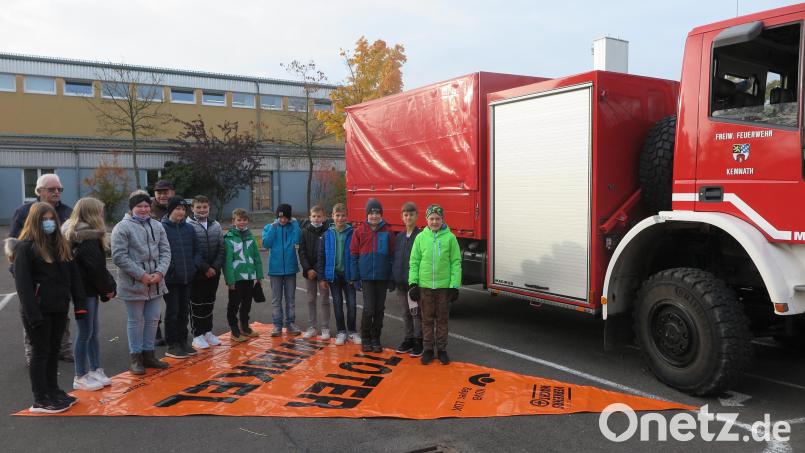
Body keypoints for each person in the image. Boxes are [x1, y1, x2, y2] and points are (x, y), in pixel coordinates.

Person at [5, 202, 86, 413]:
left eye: (51, 219)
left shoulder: (61, 245)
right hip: (38, 311)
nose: (49, 223)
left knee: (53, 351)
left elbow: (74, 277)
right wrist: (33, 315)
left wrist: (80, 305)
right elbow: (23, 286)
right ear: (35, 222)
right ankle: (40, 398)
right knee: (40, 353)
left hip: (59, 308)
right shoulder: (25, 248)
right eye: (44, 220)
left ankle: (53, 390)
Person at [9, 173, 74, 364]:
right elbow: (14, 243)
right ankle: (33, 352)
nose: (57, 192)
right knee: (32, 314)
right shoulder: (24, 212)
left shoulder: (67, 212)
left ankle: (63, 348)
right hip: (33, 275)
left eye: (59, 189)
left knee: (62, 314)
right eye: (51, 189)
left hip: (58, 275)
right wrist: (18, 272)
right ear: (39, 191)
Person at [111, 190, 171, 375]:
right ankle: (136, 357)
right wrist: (141, 275)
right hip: (134, 283)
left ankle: (149, 354)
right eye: (139, 206)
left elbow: (166, 251)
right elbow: (119, 256)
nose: (144, 209)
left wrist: (160, 272)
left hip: (156, 282)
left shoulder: (157, 225)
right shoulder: (122, 227)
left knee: (153, 319)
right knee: (136, 321)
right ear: (131, 208)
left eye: (146, 206)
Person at [62, 197, 117, 391]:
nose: (102, 214)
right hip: (84, 292)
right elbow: (96, 270)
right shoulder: (87, 238)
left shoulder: (79, 235)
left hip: (86, 291)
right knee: (86, 332)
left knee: (92, 331)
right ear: (92, 213)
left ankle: (95, 369)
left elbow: (96, 268)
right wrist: (108, 289)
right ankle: (80, 375)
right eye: (100, 211)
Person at [408, 204, 462, 365]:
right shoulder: (420, 238)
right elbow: (414, 261)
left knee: (442, 320)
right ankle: (428, 350)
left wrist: (454, 286)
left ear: (442, 219)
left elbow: (456, 262)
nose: (434, 222)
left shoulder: (450, 238)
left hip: (443, 288)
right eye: (431, 218)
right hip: (425, 287)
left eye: (438, 219)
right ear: (426, 219)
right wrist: (413, 283)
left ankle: (442, 350)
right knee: (427, 320)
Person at [350, 198, 395, 353]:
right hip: (367, 277)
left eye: (377, 213)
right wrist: (355, 277)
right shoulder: (359, 231)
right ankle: (366, 337)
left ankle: (376, 338)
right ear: (367, 214)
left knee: (379, 309)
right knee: (369, 309)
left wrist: (391, 277)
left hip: (382, 277)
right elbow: (354, 255)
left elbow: (392, 256)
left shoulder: (388, 232)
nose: (374, 216)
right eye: (371, 213)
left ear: (381, 214)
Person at [161, 197, 202, 359]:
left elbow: (197, 250)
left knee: (184, 311)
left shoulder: (189, 228)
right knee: (173, 311)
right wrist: (171, 269)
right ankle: (173, 344)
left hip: (187, 277)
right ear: (170, 210)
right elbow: (160, 252)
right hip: (171, 279)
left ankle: (183, 341)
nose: (181, 212)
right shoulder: (162, 228)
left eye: (183, 209)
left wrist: (193, 266)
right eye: (178, 208)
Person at [316, 203, 360, 346]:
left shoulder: (353, 233)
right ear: (332, 216)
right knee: (337, 303)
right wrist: (322, 277)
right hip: (334, 276)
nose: (340, 218)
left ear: (347, 216)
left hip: (349, 276)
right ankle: (341, 331)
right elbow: (321, 257)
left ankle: (352, 331)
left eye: (343, 215)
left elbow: (357, 255)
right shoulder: (327, 235)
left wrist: (355, 276)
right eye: (337, 215)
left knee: (352, 304)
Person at [187, 195, 225, 349]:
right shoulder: (188, 225)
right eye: (198, 207)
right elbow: (190, 251)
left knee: (209, 302)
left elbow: (222, 248)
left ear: (209, 208)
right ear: (192, 209)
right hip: (197, 273)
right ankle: (197, 335)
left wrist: (214, 268)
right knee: (197, 304)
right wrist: (205, 268)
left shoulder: (216, 225)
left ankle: (207, 331)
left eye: (205, 207)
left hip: (214, 273)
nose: (202, 210)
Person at [262, 203, 302, 337]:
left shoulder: (292, 227)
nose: (283, 220)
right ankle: (277, 325)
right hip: (275, 270)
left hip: (290, 269)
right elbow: (266, 243)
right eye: (280, 217)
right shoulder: (269, 227)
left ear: (289, 217)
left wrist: (295, 224)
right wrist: (273, 228)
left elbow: (297, 239)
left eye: (285, 217)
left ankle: (290, 324)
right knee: (276, 300)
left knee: (290, 300)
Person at [223, 208, 263, 342]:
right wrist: (230, 280)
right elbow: (227, 261)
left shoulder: (250, 237)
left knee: (247, 303)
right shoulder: (229, 238)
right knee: (234, 304)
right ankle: (234, 330)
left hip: (249, 277)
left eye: (244, 220)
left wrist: (259, 276)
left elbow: (256, 258)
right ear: (233, 221)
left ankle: (245, 327)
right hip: (236, 278)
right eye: (239, 220)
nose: (242, 222)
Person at [391, 202, 423, 357]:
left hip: (413, 284)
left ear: (416, 216)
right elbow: (395, 258)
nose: (408, 217)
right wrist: (394, 278)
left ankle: (418, 340)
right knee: (405, 313)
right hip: (401, 283)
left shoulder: (421, 236)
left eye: (411, 214)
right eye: (406, 215)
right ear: (402, 217)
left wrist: (416, 282)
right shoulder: (399, 237)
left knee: (415, 313)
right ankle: (408, 339)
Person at [299, 205, 331, 340]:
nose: (316, 219)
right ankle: (312, 327)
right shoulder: (304, 232)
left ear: (324, 218)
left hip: (323, 273)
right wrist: (308, 269)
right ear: (310, 217)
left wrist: (318, 270)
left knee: (324, 299)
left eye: (319, 216)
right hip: (309, 272)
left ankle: (325, 328)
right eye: (314, 216)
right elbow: (302, 252)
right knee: (311, 299)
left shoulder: (328, 232)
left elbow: (327, 253)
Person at [150, 180, 174, 346]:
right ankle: (155, 332)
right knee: (155, 303)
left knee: (173, 303)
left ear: (172, 192)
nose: (162, 195)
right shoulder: (149, 210)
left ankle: (173, 332)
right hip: (156, 265)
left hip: (174, 265)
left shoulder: (177, 208)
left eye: (165, 192)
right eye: (159, 192)